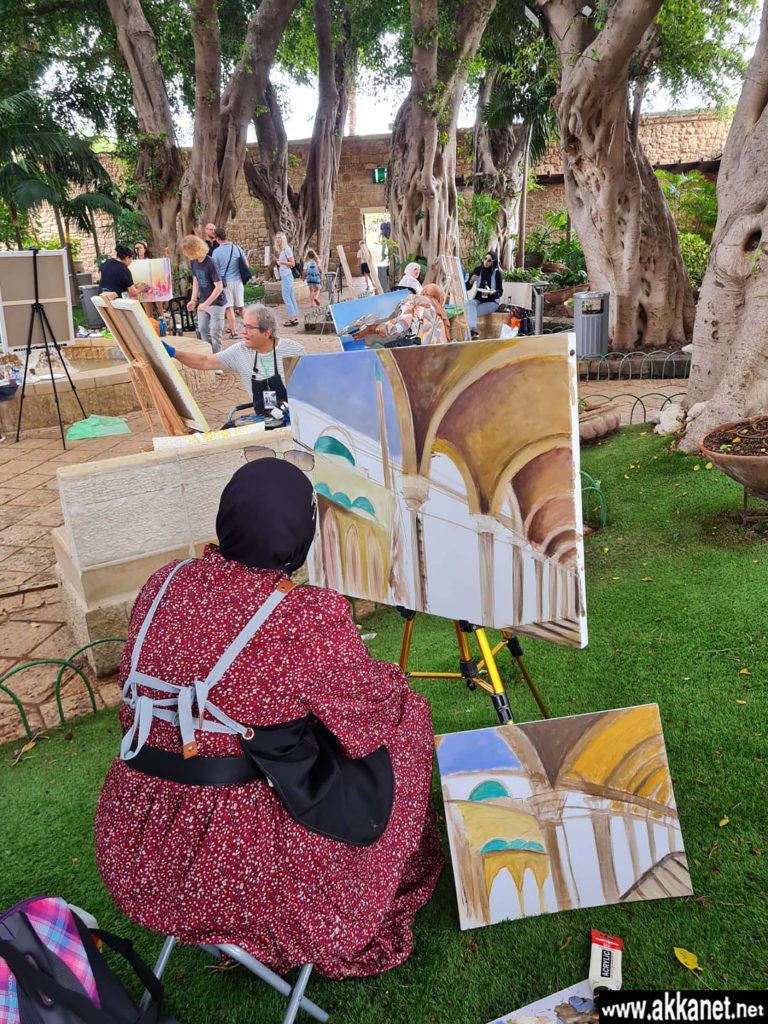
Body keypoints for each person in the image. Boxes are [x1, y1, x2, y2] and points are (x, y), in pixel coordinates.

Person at [94, 457, 442, 979]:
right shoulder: (303, 614)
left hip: (136, 847)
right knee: (407, 722)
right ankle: (368, 886)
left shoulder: (165, 582)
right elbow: (372, 709)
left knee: (289, 731)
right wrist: (395, 686)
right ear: (303, 534)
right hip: (238, 869)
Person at [165, 303, 305, 416]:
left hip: (294, 419)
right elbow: (205, 361)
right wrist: (174, 353)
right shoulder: (240, 351)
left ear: (267, 332)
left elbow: (310, 389)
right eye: (243, 326)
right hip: (263, 419)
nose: (243, 332)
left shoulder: (294, 351)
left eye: (249, 328)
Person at [181, 234, 227, 354]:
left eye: (187, 251)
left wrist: (207, 303)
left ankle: (217, 358)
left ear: (194, 249)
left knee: (215, 333)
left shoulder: (211, 263)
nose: (185, 254)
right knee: (202, 330)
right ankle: (209, 356)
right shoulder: (194, 263)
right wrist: (193, 300)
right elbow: (196, 281)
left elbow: (219, 287)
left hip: (216, 303)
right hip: (203, 301)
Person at [365, 284, 450, 346]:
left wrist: (376, 329)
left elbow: (403, 323)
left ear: (424, 291)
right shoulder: (442, 313)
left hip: (417, 350)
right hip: (436, 355)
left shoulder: (414, 299)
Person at [212, 226, 245, 338]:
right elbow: (246, 264)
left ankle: (234, 332)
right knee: (241, 307)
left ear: (217, 238)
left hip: (226, 283)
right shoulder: (237, 248)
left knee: (229, 307)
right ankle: (250, 328)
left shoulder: (216, 252)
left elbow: (215, 269)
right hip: (238, 281)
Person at [466, 252, 503, 338]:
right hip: (478, 299)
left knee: (471, 311)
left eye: (489, 261)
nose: (486, 262)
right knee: (469, 303)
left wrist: (494, 292)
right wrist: (471, 281)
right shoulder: (478, 270)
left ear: (493, 262)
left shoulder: (497, 273)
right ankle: (473, 331)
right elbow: (467, 287)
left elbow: (500, 292)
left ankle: (470, 333)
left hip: (492, 302)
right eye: (485, 259)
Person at [273, 231, 299, 326]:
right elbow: (283, 263)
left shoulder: (287, 249)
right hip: (285, 276)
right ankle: (294, 316)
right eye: (276, 238)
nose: (277, 239)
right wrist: (278, 261)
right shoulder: (283, 250)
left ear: (283, 239)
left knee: (286, 297)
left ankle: (292, 318)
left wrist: (282, 262)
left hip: (287, 276)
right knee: (290, 296)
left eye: (279, 237)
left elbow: (292, 263)